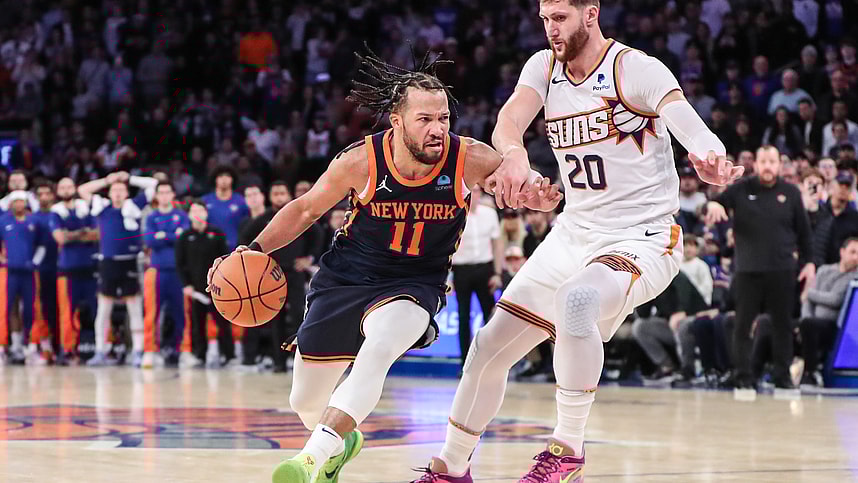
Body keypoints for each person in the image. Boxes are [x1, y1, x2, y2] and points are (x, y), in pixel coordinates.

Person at [413, 1, 741, 481]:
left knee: (578, 301)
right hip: (574, 231)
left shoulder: (635, 69)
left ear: (591, 14)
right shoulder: (543, 66)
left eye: (560, 18)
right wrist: (513, 156)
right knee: (488, 347)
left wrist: (710, 154)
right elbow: (508, 122)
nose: (551, 29)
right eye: (544, 19)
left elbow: (687, 120)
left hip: (643, 235)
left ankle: (567, 450)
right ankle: (451, 467)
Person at [206, 50, 562, 483]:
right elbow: (303, 211)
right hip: (345, 278)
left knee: (378, 351)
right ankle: (342, 441)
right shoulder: (361, 161)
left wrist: (536, 196)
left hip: (415, 283)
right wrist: (251, 249)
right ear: (397, 120)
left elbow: (514, 187)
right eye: (424, 120)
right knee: (304, 402)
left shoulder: (468, 158)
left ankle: (310, 459)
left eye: (443, 119)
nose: (437, 130)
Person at [706, 146, 814, 390]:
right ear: (755, 163)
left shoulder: (791, 192)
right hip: (747, 271)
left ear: (779, 165)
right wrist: (713, 205)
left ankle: (782, 378)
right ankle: (743, 379)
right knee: (743, 326)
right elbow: (715, 204)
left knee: (782, 326)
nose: (768, 166)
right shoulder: (742, 189)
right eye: (763, 161)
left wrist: (809, 263)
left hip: (783, 269)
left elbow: (804, 233)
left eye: (772, 161)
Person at [77, 171, 158, 366]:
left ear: (127, 193)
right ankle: (100, 350)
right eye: (115, 190)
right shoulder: (102, 207)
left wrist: (129, 178)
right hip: (108, 262)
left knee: (134, 307)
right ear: (110, 193)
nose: (118, 193)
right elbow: (82, 189)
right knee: (104, 308)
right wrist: (107, 179)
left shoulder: (134, 206)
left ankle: (138, 351)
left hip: (129, 260)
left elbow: (153, 184)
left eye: (122, 190)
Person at [450, 185, 503, 369]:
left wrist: (497, 273)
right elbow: (448, 247)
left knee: (490, 315)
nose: (474, 195)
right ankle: (465, 363)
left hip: (484, 269)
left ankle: (493, 360)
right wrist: (448, 277)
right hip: (461, 270)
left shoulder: (489, 214)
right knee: (463, 317)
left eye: (477, 191)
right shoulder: (455, 214)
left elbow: (497, 244)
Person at [175, 200, 231, 368]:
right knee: (196, 322)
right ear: (190, 215)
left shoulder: (217, 234)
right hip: (195, 288)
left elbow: (225, 260)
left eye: (201, 209)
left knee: (222, 321)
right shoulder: (185, 237)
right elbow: (180, 263)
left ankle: (228, 354)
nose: (198, 213)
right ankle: (199, 354)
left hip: (217, 288)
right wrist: (187, 284)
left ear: (206, 213)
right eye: (194, 210)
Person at [142, 182, 190, 367]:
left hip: (178, 272)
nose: (163, 195)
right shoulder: (152, 216)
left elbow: (183, 239)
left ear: (172, 194)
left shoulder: (181, 215)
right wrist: (172, 235)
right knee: (152, 313)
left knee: (182, 313)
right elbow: (149, 240)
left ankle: (184, 350)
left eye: (167, 192)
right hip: (157, 271)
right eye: (160, 193)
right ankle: (150, 351)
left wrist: (162, 235)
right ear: (156, 196)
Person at [50, 177, 99, 363]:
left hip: (91, 267)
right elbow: (60, 238)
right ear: (58, 190)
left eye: (69, 186)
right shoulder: (56, 212)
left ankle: (106, 348)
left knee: (99, 311)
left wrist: (72, 234)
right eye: (62, 187)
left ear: (75, 188)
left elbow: (97, 234)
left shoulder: (85, 207)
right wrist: (82, 233)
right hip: (67, 270)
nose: (66, 190)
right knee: (68, 313)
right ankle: (69, 349)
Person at [799, 237, 858, 387]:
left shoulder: (854, 277)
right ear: (842, 252)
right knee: (772, 323)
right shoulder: (824, 270)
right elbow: (806, 302)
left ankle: (810, 373)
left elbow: (835, 299)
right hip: (811, 322)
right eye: (853, 252)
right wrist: (804, 320)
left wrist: (810, 293)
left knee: (809, 326)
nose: (856, 257)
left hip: (833, 326)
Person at [0, 191, 48, 365]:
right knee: (5, 309)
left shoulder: (34, 221)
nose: (19, 205)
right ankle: (5, 347)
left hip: (29, 272)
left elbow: (42, 245)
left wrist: (35, 262)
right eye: (16, 201)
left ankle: (32, 347)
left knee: (31, 309)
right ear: (11, 204)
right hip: (8, 271)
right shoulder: (3, 221)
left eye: (22, 201)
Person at [202, 166, 249, 250]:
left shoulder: (241, 201)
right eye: (220, 176)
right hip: (210, 248)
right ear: (215, 179)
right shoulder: (205, 201)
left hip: (235, 249)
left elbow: (247, 225)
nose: (224, 179)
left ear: (232, 179)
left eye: (227, 176)